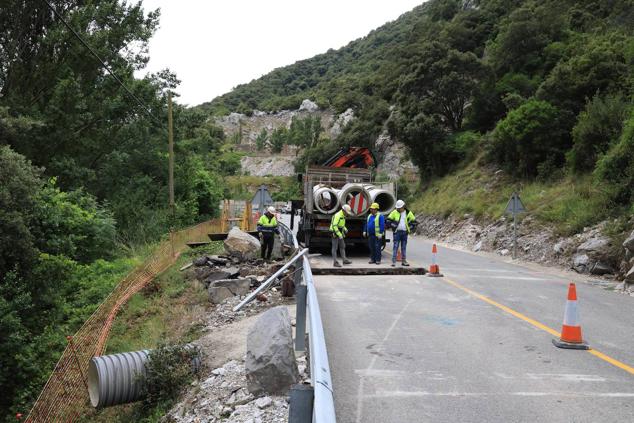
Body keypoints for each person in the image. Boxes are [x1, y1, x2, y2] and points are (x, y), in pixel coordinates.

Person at [387, 199, 416, 267]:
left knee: (403, 247)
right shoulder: (394, 212)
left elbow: (414, 221)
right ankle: (393, 261)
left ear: (403, 206)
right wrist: (392, 225)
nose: (398, 209)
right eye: (398, 208)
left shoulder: (408, 213)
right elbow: (388, 220)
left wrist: (410, 227)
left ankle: (404, 261)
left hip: (404, 232)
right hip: (397, 232)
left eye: (399, 208)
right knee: (395, 246)